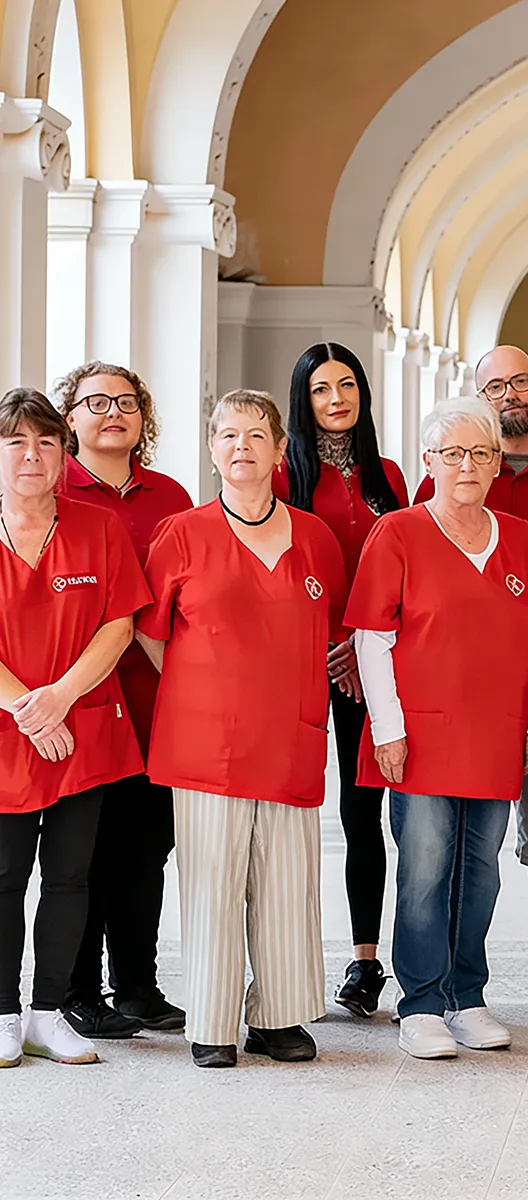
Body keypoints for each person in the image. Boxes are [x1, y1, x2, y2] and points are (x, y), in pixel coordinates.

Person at [136, 390, 347, 1070]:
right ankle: (213, 1021)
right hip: (205, 744)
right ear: (210, 447)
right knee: (212, 883)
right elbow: (152, 635)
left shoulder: (314, 538)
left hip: (289, 736)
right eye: (227, 435)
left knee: (287, 883)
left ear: (281, 449)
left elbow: (332, 630)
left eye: (257, 435)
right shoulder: (182, 533)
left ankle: (278, 1016)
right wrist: (215, 683)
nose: (242, 447)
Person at [348, 397, 528, 1061]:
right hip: (422, 735)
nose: (468, 465)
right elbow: (373, 639)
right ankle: (423, 1001)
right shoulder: (398, 533)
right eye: (453, 453)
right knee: (426, 870)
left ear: (497, 463)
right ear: (428, 462)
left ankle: (468, 995)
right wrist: (388, 730)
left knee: (481, 871)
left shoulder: (519, 536)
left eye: (481, 453)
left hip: (496, 733)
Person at [415, 346, 528, 1015]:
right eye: (496, 384)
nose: (510, 393)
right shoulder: (441, 486)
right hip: (461, 707)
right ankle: (443, 989)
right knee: (453, 849)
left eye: (520, 380)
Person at [0, 388, 148, 1069]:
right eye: (16, 443)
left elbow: (120, 624)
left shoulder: (97, 526)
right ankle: (2, 1013)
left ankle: (47, 1012)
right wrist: (29, 709)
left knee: (69, 876)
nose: (32, 456)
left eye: (47, 443)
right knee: (2, 876)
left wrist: (59, 697)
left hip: (82, 724)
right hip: (11, 730)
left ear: (65, 453)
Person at [53, 361, 193, 1042]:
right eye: (97, 401)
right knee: (82, 854)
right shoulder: (51, 489)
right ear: (70, 417)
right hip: (80, 704)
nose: (114, 412)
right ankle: (76, 990)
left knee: (144, 850)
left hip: (157, 704)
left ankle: (136, 984)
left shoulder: (170, 496)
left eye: (128, 402)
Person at [275, 342, 408, 1021]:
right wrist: (330, 646)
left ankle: (365, 960)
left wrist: (359, 648)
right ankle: (285, 958)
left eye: (347, 384)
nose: (336, 398)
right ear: (305, 398)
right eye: (322, 388)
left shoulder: (386, 476)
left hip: (370, 665)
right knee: (291, 812)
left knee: (365, 818)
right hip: (301, 664)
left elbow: (407, 572)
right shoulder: (282, 476)